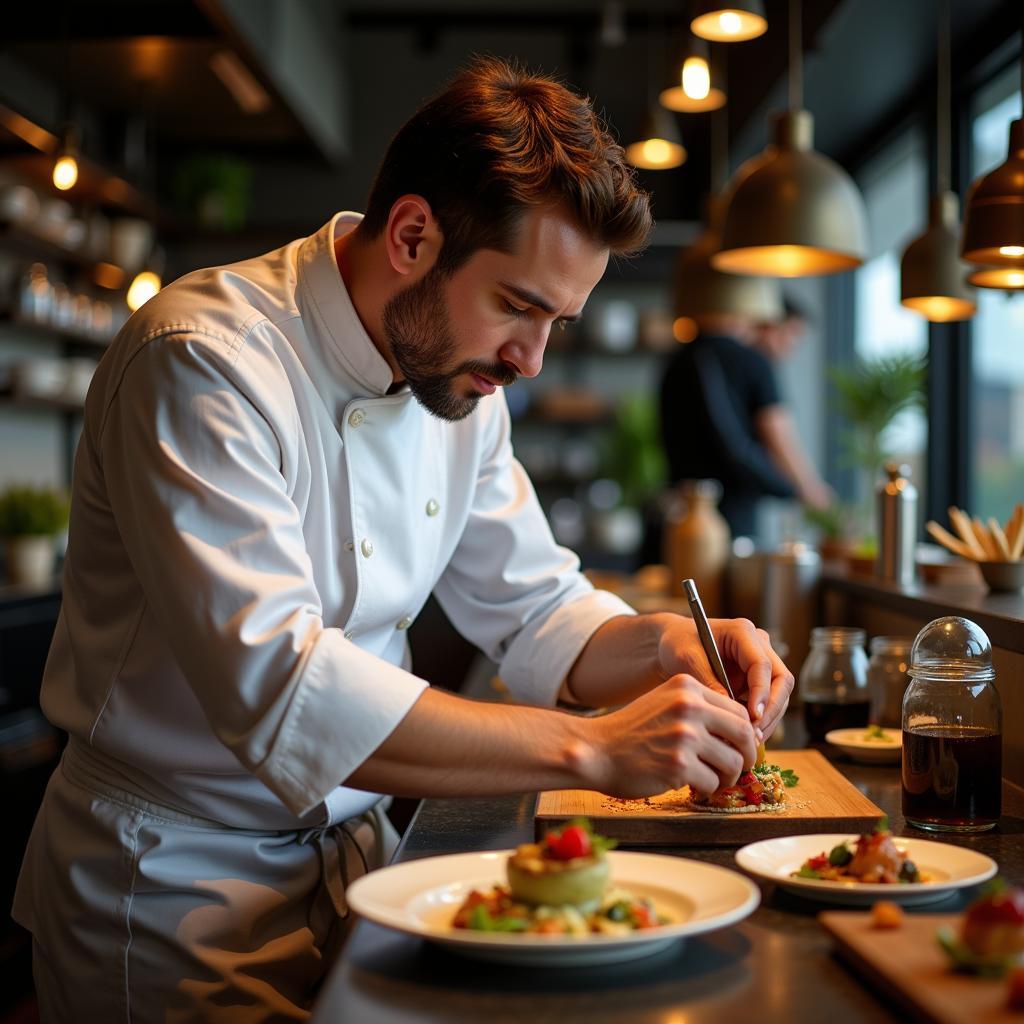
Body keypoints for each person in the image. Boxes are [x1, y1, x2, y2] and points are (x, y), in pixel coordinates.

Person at [14, 58, 793, 1022]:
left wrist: (663, 646)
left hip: (361, 876)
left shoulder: (459, 383)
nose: (531, 360)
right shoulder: (204, 363)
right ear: (415, 234)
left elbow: (539, 609)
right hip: (174, 892)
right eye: (517, 305)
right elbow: (282, 691)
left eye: (558, 321)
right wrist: (594, 751)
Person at [660, 309, 832, 540]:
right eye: (789, 336)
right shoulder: (754, 363)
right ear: (768, 326)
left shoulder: (678, 358)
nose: (789, 349)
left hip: (679, 512)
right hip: (734, 513)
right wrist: (810, 491)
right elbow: (779, 437)